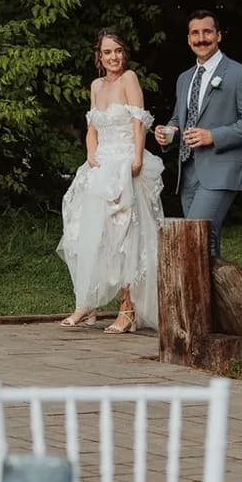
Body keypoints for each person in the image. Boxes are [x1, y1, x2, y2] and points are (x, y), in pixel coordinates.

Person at [57, 30, 165, 333]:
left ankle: (127, 308)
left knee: (124, 237)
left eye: (118, 51)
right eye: (107, 52)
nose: (114, 57)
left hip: (124, 163)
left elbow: (138, 121)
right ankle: (87, 302)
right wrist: (91, 152)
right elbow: (92, 126)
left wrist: (137, 158)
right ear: (99, 56)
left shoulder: (129, 79)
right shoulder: (96, 86)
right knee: (87, 233)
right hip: (100, 163)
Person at [154, 9, 242, 260]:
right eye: (195, 33)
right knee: (207, 242)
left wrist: (213, 136)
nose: (201, 38)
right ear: (188, 39)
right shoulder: (184, 78)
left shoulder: (240, 74)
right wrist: (168, 133)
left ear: (218, 36)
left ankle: (201, 299)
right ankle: (211, 300)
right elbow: (178, 119)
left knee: (194, 237)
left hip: (220, 170)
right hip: (189, 173)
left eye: (207, 32)